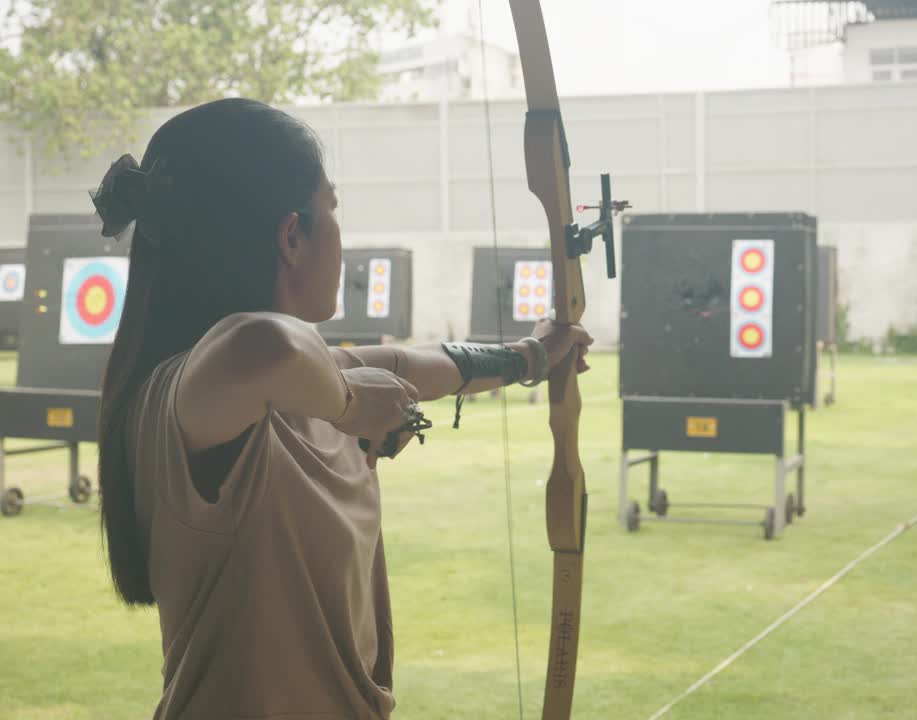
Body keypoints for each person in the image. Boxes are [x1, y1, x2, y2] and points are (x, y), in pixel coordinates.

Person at [91, 97, 592, 719]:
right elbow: (263, 344)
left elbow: (413, 363)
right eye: (332, 209)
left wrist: (531, 355)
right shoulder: (185, 393)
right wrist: (354, 404)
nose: (340, 233)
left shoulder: (298, 382)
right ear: (292, 234)